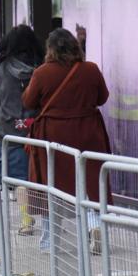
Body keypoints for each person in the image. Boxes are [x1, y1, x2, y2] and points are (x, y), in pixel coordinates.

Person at [22, 28, 111, 253]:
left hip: (53, 136)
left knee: (52, 185)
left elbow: (29, 102)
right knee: (90, 183)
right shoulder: (90, 69)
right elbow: (103, 98)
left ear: (50, 49)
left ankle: (50, 242)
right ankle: (94, 226)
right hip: (88, 133)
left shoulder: (42, 73)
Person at [0, 24, 42, 232]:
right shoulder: (41, 67)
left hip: (12, 131)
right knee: (42, 175)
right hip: (37, 129)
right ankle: (51, 223)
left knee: (19, 179)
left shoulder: (3, 70)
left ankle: (26, 220)